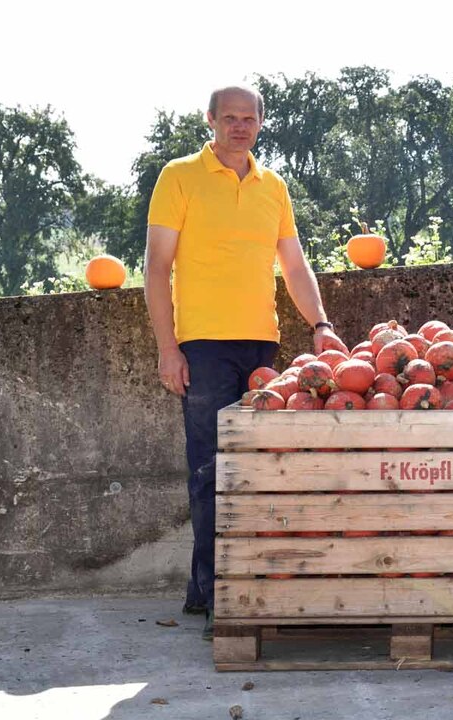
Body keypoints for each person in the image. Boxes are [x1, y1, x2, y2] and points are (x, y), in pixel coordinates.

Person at [143, 85, 342, 639]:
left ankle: (200, 588)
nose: (238, 127)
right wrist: (168, 346)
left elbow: (295, 266)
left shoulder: (272, 186)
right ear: (210, 120)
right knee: (211, 471)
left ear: (260, 123)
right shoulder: (178, 177)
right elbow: (157, 268)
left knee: (251, 473)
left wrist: (320, 324)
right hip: (203, 346)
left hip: (263, 345)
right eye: (228, 118)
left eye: (248, 119)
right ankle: (219, 603)